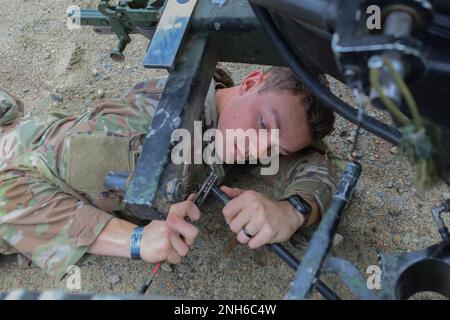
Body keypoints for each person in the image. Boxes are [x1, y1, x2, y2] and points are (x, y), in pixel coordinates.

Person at [0, 66, 338, 280]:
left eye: (276, 150)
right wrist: (134, 240)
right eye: (264, 125)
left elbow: (316, 163)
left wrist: (294, 210)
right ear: (250, 82)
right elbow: (9, 188)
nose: (257, 150)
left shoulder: (225, 111)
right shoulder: (140, 136)